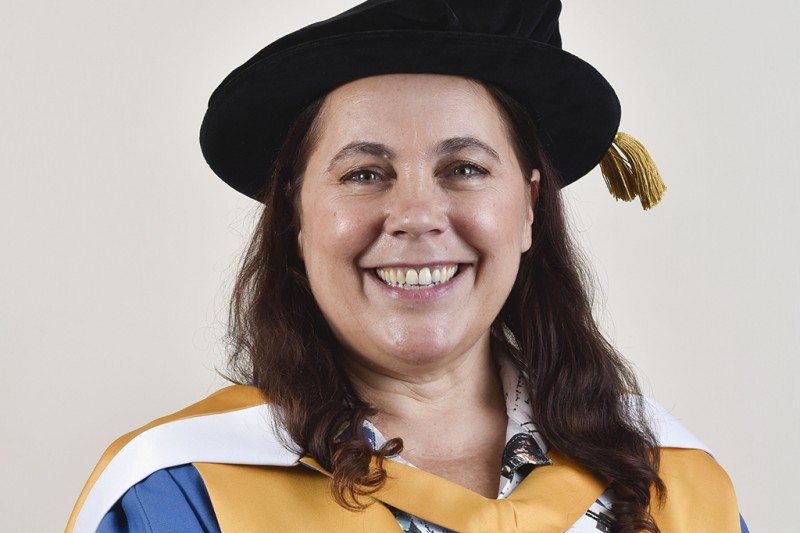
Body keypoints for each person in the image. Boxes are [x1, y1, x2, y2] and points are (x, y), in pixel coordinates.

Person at [67, 1, 747, 531]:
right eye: (364, 173)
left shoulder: (671, 482)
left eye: (464, 169)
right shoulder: (182, 492)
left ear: (530, 205)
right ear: (295, 216)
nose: (417, 214)